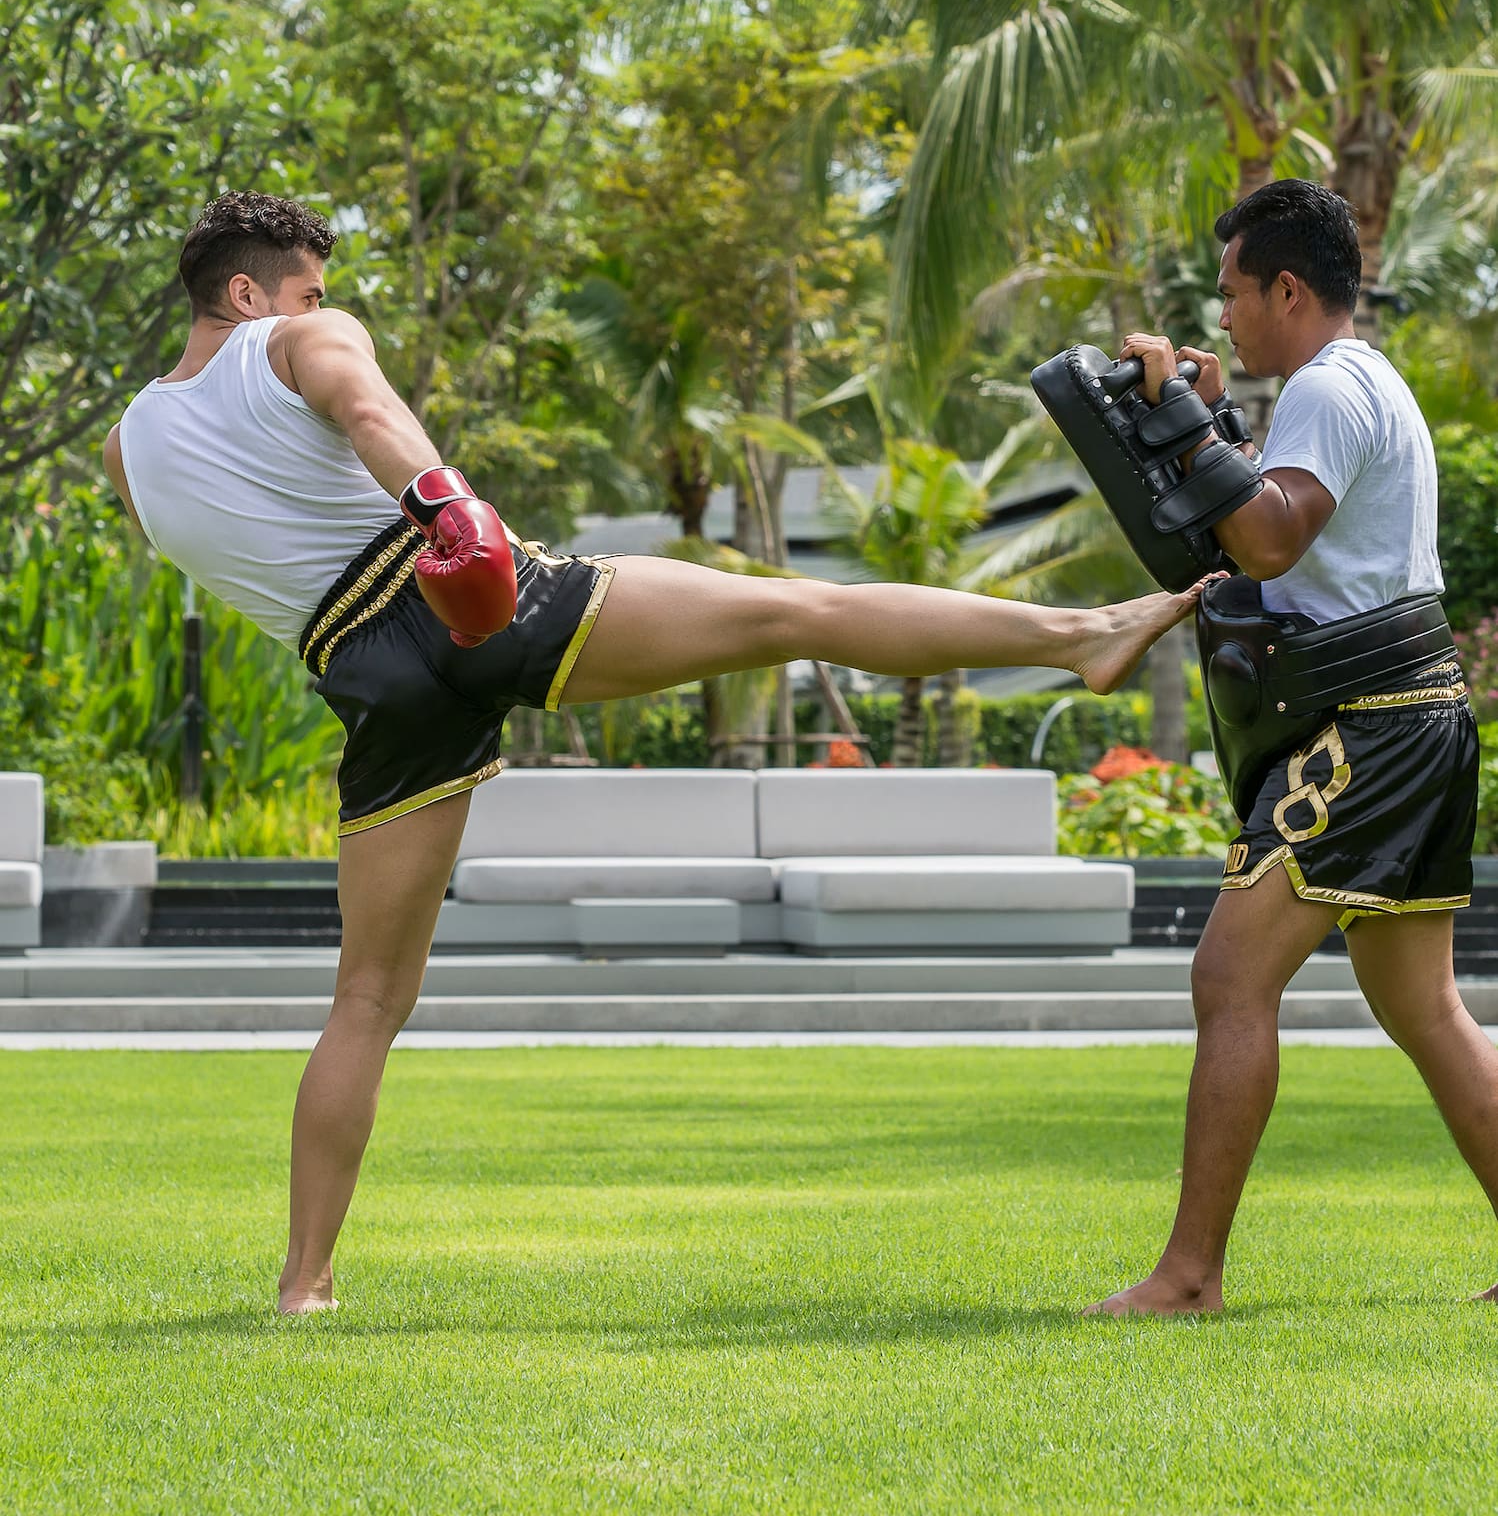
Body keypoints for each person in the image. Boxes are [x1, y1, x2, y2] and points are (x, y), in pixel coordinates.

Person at [99, 192, 1206, 1316]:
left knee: (368, 997)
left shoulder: (126, 449)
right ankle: (1081, 636)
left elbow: (235, 536)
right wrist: (453, 517)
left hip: (364, 675)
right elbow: (370, 408)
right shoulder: (293, 339)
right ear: (248, 293)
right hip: (459, 589)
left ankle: (304, 1285)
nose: (321, 306)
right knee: (795, 612)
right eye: (308, 286)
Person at [1087, 177, 1486, 1318]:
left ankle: (1189, 1275)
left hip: (1368, 722)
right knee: (1425, 1012)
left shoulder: (1325, 385)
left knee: (1228, 975)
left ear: (1288, 288)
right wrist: (1209, 427)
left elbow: (1263, 539)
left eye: (1231, 294)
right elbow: (1279, 518)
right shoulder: (1360, 384)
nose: (1222, 318)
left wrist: (1180, 422)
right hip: (1415, 708)